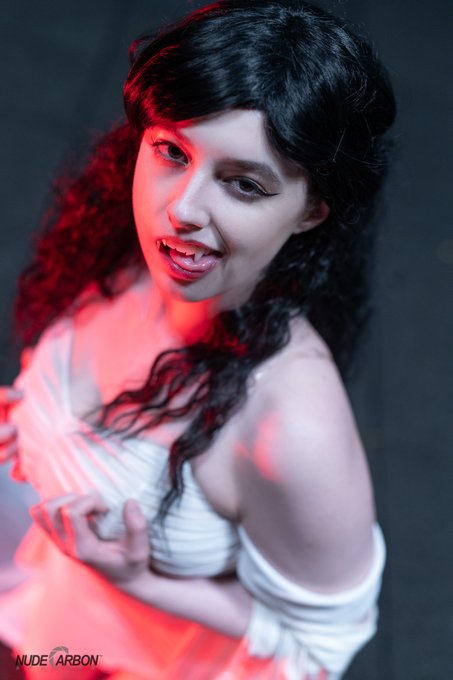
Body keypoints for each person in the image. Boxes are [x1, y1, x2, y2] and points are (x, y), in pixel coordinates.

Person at [0, 0, 396, 678]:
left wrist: (141, 580)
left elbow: (316, 645)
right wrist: (35, 426)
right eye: (171, 152)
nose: (180, 209)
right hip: (47, 611)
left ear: (310, 211)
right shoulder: (121, 258)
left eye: (243, 185)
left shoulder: (293, 425)